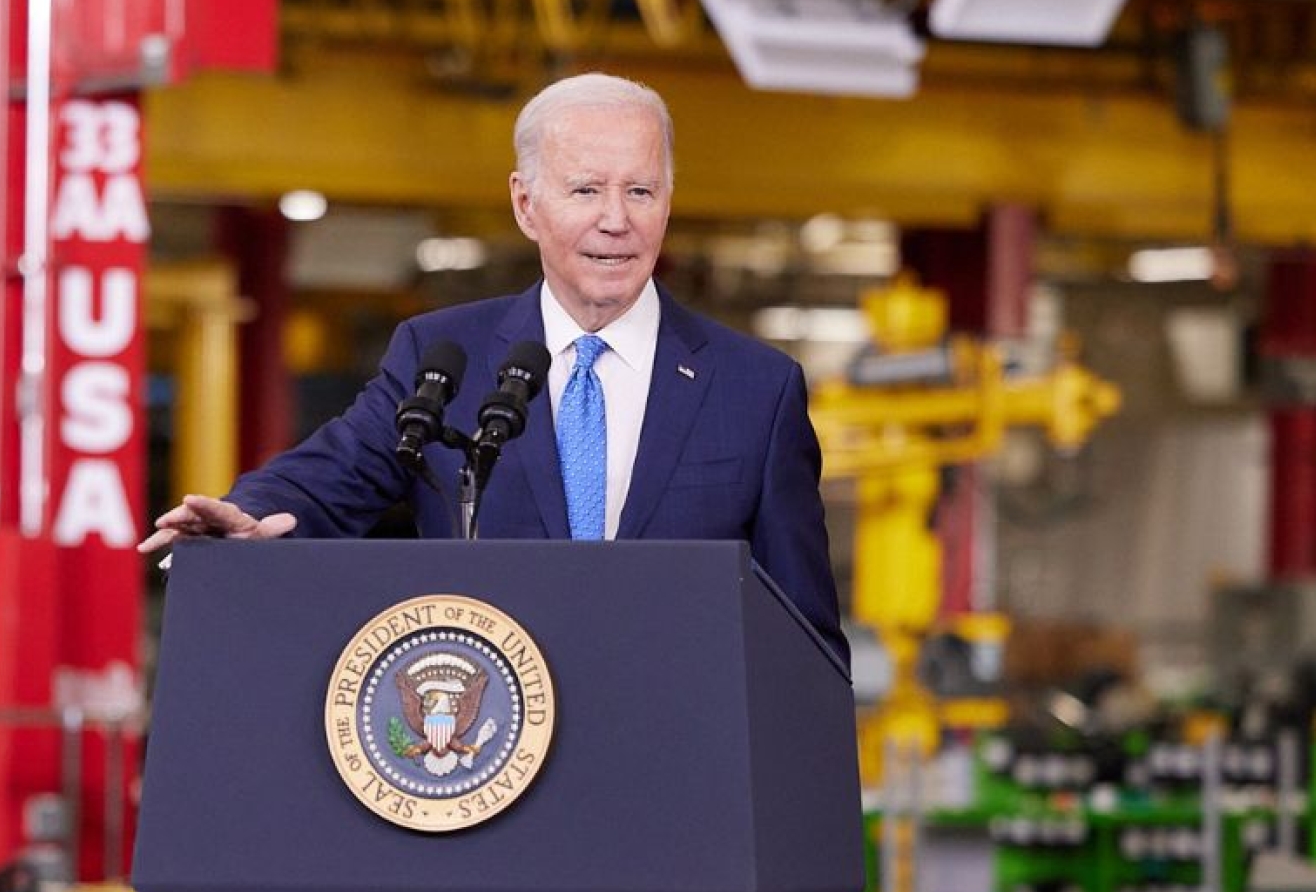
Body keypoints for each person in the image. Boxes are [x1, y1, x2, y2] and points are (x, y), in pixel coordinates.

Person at [138, 72, 845, 669]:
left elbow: (806, 638)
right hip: (486, 764)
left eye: (641, 191)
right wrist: (247, 516)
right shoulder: (443, 356)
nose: (616, 220)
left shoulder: (757, 388)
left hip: (680, 770)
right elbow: (331, 475)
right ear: (524, 203)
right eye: (585, 191)